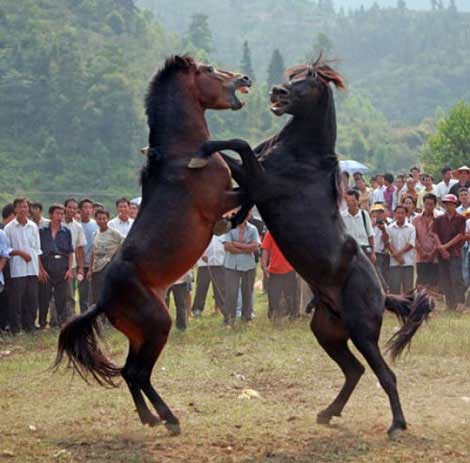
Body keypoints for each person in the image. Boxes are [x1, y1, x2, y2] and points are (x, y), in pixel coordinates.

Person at [4, 198, 42, 334]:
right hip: (17, 270)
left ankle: (30, 326)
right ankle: (16, 328)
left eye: (25, 207)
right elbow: (6, 250)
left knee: (32, 299)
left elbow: (37, 249)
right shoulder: (9, 228)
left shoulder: (33, 226)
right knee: (16, 301)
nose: (23, 209)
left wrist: (39, 269)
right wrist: (20, 253)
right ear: (15, 209)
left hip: (32, 269)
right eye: (20, 207)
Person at [38, 204, 73, 328]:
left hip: (62, 266)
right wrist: (41, 269)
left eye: (62, 214)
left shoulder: (66, 232)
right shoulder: (42, 231)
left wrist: (69, 269)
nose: (60, 216)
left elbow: (70, 252)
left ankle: (60, 322)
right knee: (44, 296)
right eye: (57, 213)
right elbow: (37, 252)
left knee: (61, 297)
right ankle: (42, 322)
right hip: (47, 265)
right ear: (51, 215)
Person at [222, 216, 260, 325]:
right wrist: (246, 248)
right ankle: (229, 320)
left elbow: (255, 247)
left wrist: (237, 244)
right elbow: (227, 247)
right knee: (231, 293)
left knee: (247, 292)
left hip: (249, 266)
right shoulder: (229, 228)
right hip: (231, 266)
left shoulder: (253, 229)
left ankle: (247, 318)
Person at [432, 194, 466, 310]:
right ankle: (450, 304)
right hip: (442, 253)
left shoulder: (461, 218)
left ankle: (460, 302)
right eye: (446, 204)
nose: (448, 206)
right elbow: (435, 233)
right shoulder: (439, 219)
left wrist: (445, 246)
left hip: (455, 252)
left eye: (451, 204)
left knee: (456, 278)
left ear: (455, 205)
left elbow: (460, 235)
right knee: (445, 278)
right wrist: (441, 247)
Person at [88, 209, 124, 305]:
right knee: (96, 295)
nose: (102, 221)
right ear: (96, 220)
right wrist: (90, 269)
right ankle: (98, 318)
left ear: (108, 219)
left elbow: (125, 244)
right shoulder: (95, 234)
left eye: (104, 218)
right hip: (96, 268)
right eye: (99, 219)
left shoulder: (114, 233)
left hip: (108, 267)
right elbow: (93, 252)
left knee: (107, 294)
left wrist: (116, 257)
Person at [261, 231, 298, 318]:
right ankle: (273, 316)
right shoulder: (270, 233)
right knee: (273, 297)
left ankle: (292, 316)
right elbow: (265, 250)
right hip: (274, 271)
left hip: (290, 270)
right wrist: (264, 265)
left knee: (291, 296)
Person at [191, 235, 225, 317]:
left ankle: (222, 308)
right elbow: (196, 246)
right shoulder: (203, 232)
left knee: (220, 288)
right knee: (201, 287)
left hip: (219, 263)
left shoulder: (223, 234)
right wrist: (201, 255)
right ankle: (197, 309)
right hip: (204, 265)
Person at [63, 198, 86, 318]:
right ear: (65, 208)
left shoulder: (78, 227)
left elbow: (80, 249)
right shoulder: (57, 223)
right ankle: (55, 319)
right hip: (55, 264)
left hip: (71, 266)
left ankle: (69, 317)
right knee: (54, 294)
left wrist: (81, 268)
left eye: (74, 208)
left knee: (70, 293)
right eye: (70, 207)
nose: (72, 210)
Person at [386, 205, 416, 294]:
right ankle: (395, 308)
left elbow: (411, 244)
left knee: (408, 289)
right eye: (398, 213)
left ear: (406, 214)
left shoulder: (411, 228)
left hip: (408, 262)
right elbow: (388, 243)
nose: (400, 215)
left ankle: (409, 307)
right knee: (394, 289)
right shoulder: (390, 228)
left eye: (402, 213)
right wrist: (397, 257)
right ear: (395, 214)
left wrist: (398, 254)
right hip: (394, 263)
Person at [412, 194, 439, 291]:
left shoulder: (439, 219)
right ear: (423, 204)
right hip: (420, 256)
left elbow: (441, 238)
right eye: (426, 204)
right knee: (420, 284)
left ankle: (434, 305)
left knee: (434, 285)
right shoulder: (416, 219)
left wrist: (433, 252)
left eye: (431, 204)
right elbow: (414, 238)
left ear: (435, 205)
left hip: (435, 257)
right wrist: (421, 251)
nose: (428, 207)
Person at [341, 190, 376, 263]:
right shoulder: (342, 216)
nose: (350, 203)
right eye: (348, 200)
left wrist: (373, 253)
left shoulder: (364, 214)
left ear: (357, 201)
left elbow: (370, 235)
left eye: (353, 200)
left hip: (363, 250)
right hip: (348, 251)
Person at [78, 198, 98, 313]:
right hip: (80, 264)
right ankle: (83, 314)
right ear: (80, 210)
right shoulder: (77, 225)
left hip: (94, 264)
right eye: (85, 207)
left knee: (94, 292)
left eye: (90, 208)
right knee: (82, 292)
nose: (88, 210)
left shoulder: (96, 225)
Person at [0, 204, 15, 331]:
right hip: (5, 270)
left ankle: (4, 323)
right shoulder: (5, 230)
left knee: (6, 298)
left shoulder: (2, 231)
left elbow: (5, 254)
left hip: (5, 271)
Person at [370, 204, 390, 291]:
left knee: (377, 271)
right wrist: (371, 225)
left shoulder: (385, 226)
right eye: (375, 213)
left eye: (380, 213)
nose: (377, 215)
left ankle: (385, 288)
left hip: (379, 253)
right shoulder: (368, 225)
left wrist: (383, 230)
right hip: (368, 252)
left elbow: (386, 242)